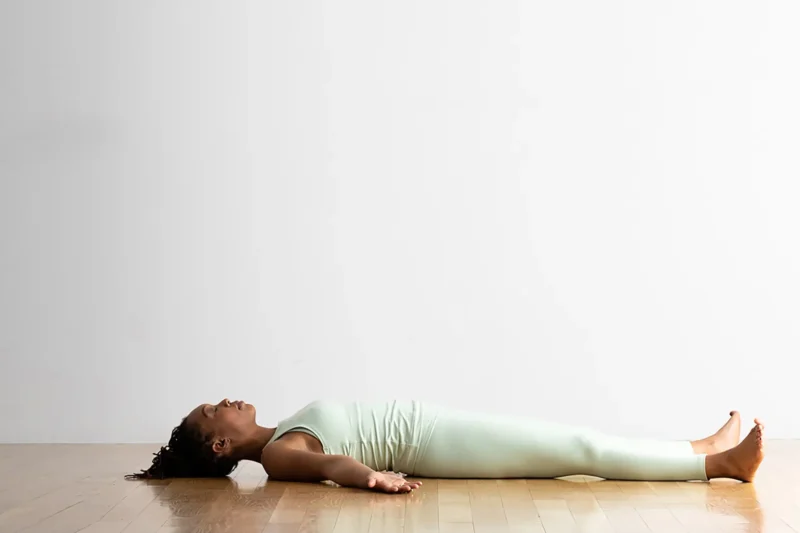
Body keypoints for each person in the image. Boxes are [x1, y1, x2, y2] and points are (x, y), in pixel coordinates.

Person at [126, 399, 765, 493]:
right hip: (438, 444)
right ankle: (718, 465)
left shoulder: (282, 429)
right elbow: (330, 465)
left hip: (437, 426)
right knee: (580, 450)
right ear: (220, 445)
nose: (225, 400)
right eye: (213, 410)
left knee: (580, 441)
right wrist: (373, 477)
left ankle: (696, 446)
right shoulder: (277, 454)